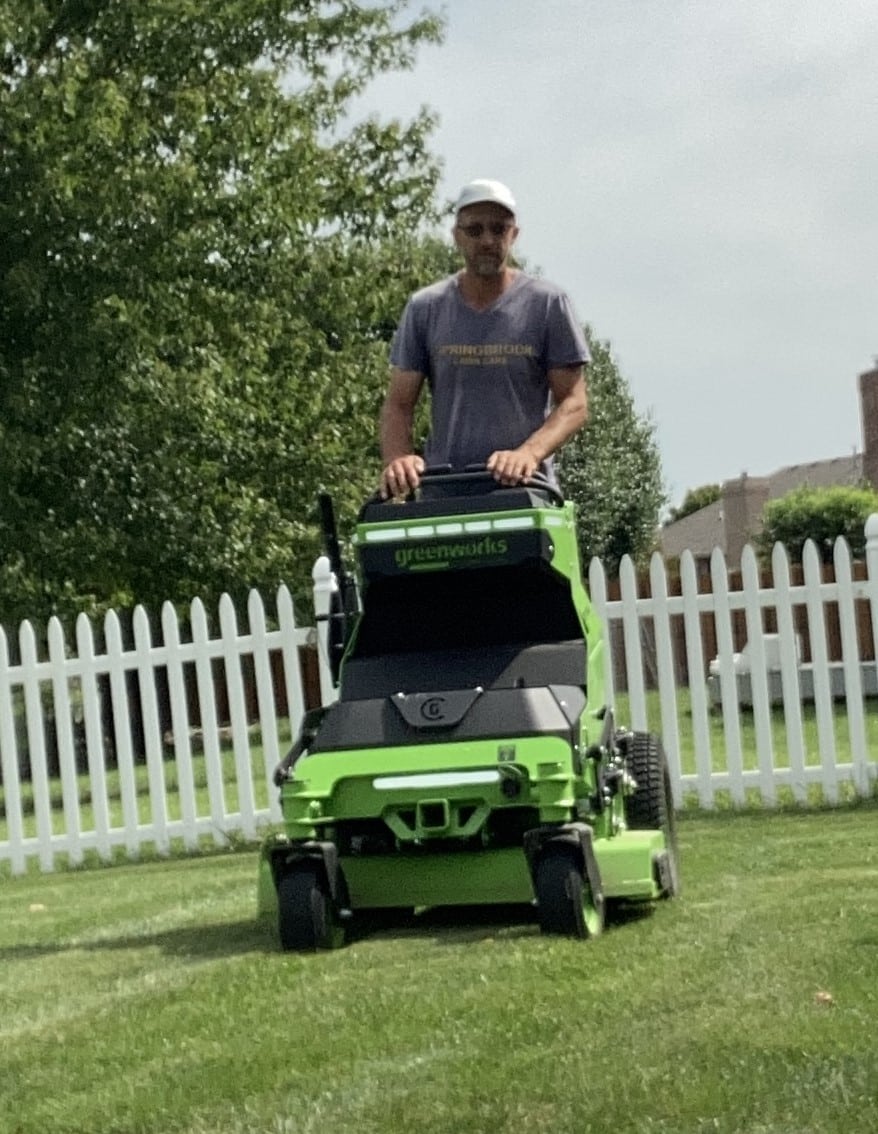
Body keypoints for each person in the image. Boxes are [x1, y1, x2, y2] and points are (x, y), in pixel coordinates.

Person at [379, 178, 590, 499]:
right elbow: (399, 403)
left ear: (514, 235)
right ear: (457, 237)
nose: (488, 240)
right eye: (475, 230)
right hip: (445, 493)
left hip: (525, 493)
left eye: (498, 229)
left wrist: (528, 454)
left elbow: (574, 402)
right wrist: (398, 460)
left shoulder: (546, 304)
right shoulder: (426, 308)